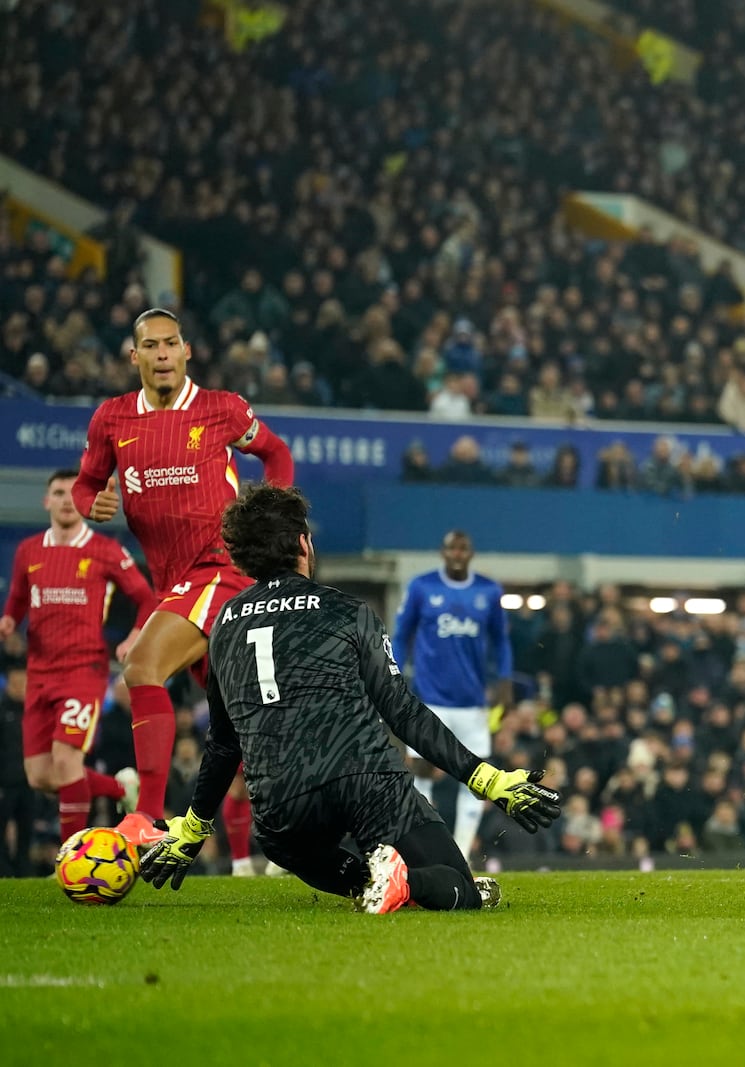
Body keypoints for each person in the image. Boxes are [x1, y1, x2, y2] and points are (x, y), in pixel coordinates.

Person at [139, 484, 560, 912]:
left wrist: (193, 827)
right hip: (363, 780)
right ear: (303, 543)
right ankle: (412, 884)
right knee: (461, 889)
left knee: (365, 882)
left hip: (282, 814)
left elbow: (224, 741)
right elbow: (402, 711)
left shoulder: (225, 624)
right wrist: (489, 779)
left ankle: (388, 885)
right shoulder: (346, 611)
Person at [72, 308, 294, 849]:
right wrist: (91, 505)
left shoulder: (221, 408)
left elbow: (276, 453)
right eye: (151, 345)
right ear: (136, 356)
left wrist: (273, 523)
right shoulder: (112, 419)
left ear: (187, 351)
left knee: (142, 665)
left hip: (222, 569)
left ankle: (145, 815)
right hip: (173, 581)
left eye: (172, 343)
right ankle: (310, 814)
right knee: (241, 720)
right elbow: (84, 486)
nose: (163, 353)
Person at [0, 470, 157, 841]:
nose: (67, 499)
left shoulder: (106, 550)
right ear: (46, 500)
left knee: (67, 761)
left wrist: (135, 635)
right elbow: (19, 598)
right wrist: (9, 620)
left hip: (83, 670)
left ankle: (69, 857)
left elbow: (147, 598)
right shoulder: (28, 551)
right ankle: (120, 789)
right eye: (58, 492)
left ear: (84, 500)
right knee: (41, 775)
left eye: (74, 492)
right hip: (39, 673)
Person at [392, 530, 512, 864]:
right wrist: (395, 673)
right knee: (422, 771)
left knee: (478, 779)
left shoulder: (487, 591)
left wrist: (504, 677)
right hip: (430, 699)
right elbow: (402, 636)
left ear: (470, 554)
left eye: (463, 548)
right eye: (452, 548)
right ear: (442, 553)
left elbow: (501, 640)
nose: (458, 554)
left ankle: (461, 852)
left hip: (473, 702)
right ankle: (427, 849)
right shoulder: (421, 587)